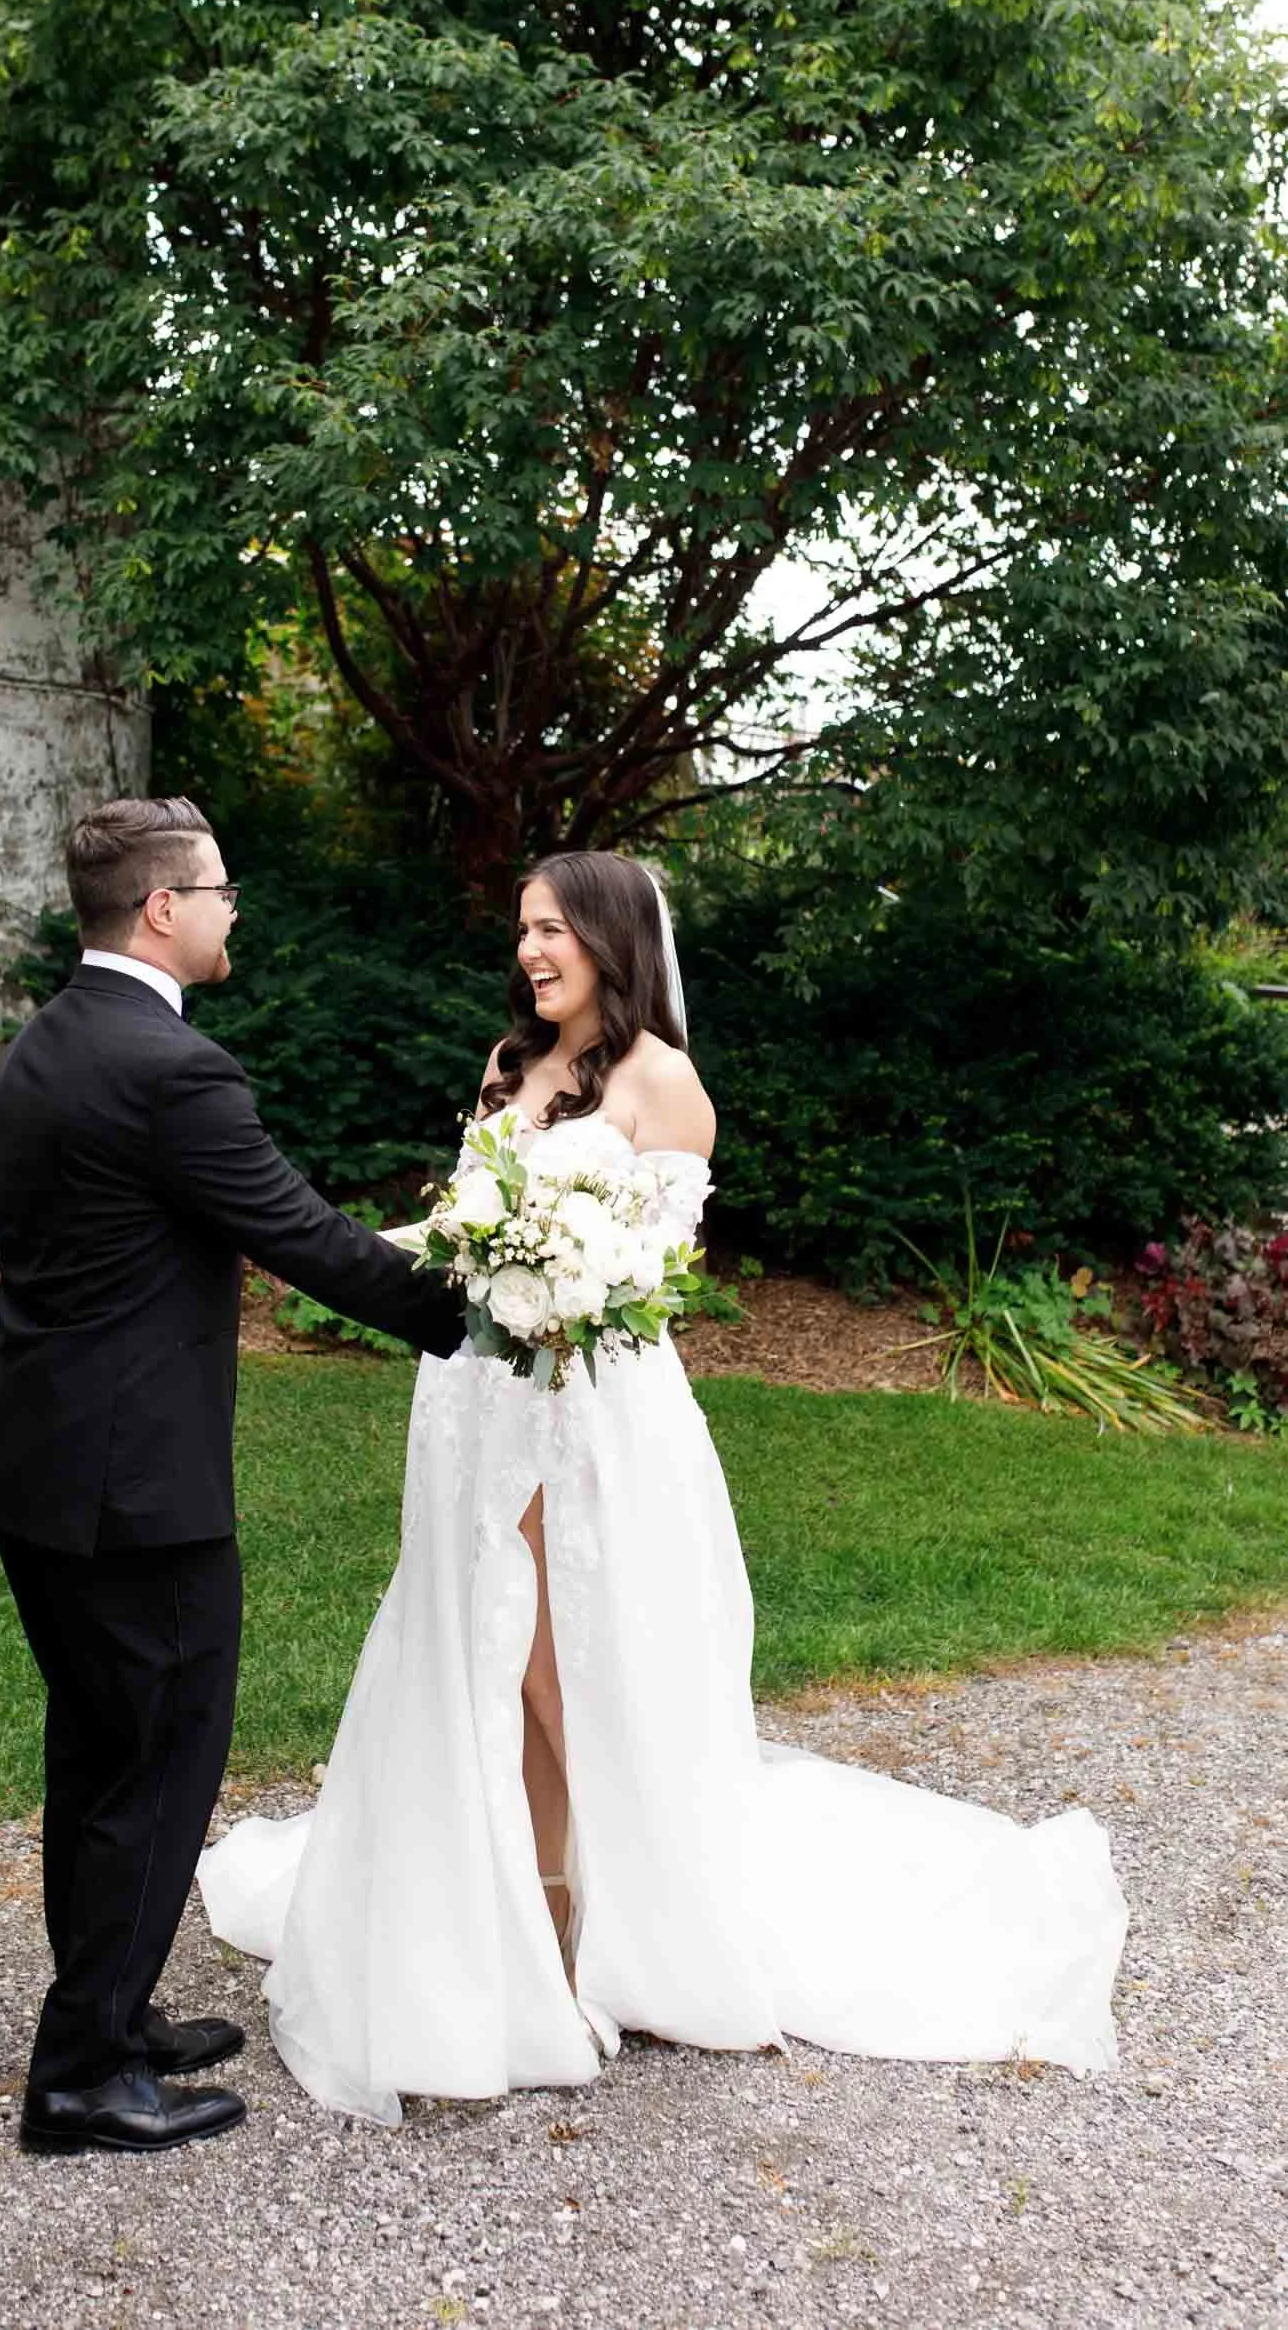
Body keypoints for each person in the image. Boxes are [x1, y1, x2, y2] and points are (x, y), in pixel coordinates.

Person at [198, 850, 1129, 2126]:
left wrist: (562, 1280)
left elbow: (650, 1274)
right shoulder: (503, 1064)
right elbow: (466, 1227)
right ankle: (530, 1901)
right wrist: (363, 1255)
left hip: (588, 1411)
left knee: (555, 1657)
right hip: (474, 1400)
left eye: (552, 933)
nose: (530, 953)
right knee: (486, 1645)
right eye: (521, 930)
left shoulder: (663, 1084)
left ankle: (613, 1920)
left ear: (610, 940)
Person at [0, 796, 466, 2155]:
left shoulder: (48, 1043)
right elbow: (296, 1232)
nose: (234, 909)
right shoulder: (170, 1071)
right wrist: (470, 1313)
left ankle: (113, 2017)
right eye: (221, 890)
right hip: (137, 1493)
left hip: (40, 1471)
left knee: (96, 1755)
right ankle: (78, 2081)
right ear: (161, 910)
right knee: (158, 1763)